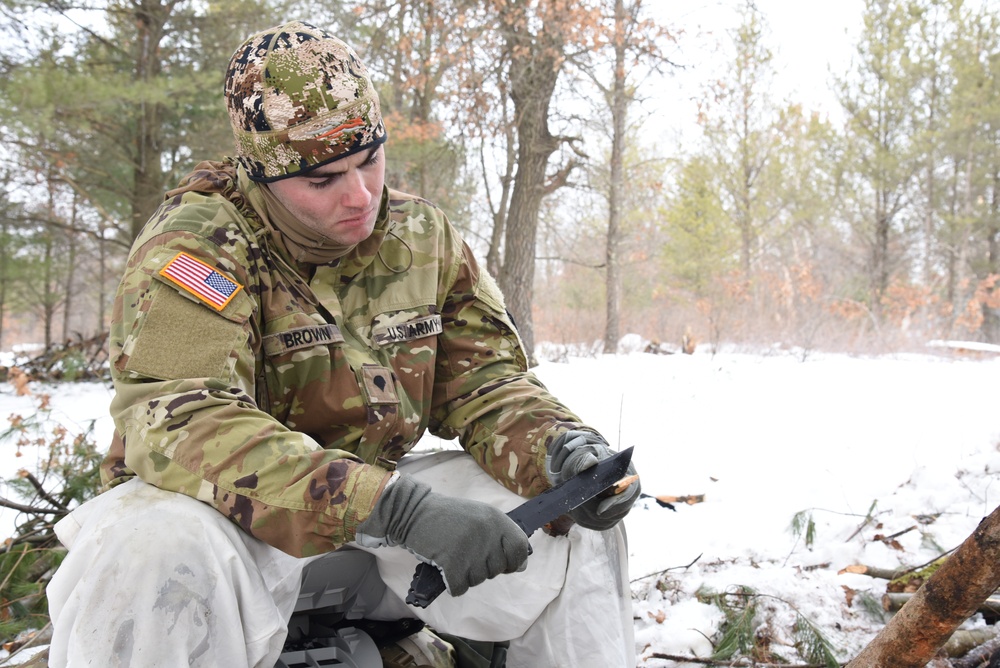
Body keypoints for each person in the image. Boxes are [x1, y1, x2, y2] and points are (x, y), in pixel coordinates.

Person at [45, 20, 641, 668]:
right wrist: (394, 509)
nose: (360, 197)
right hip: (226, 534)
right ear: (260, 175)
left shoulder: (422, 239)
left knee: (568, 529)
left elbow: (483, 382)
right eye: (322, 180)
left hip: (376, 534)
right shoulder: (197, 249)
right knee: (151, 547)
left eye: (370, 161)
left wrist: (555, 449)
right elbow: (185, 417)